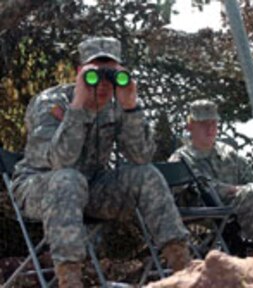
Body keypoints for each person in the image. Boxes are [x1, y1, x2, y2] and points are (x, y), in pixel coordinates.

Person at [12, 36, 191, 288]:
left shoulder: (116, 105)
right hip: (40, 186)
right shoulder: (50, 104)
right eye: (95, 73)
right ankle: (70, 281)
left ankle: (185, 269)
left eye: (111, 74)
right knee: (68, 179)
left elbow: (140, 157)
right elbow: (60, 161)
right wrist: (78, 106)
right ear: (79, 73)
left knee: (146, 174)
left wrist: (130, 107)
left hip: (91, 188)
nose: (103, 84)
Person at [169, 99, 253, 258]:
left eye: (213, 123)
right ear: (190, 126)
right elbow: (200, 188)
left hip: (238, 207)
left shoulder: (228, 153)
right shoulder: (181, 158)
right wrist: (236, 190)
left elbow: (250, 180)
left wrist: (251, 191)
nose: (210, 129)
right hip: (205, 211)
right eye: (203, 124)